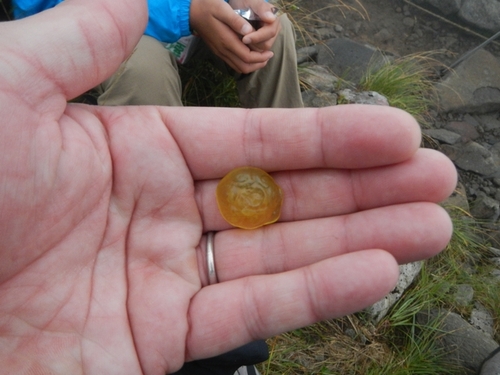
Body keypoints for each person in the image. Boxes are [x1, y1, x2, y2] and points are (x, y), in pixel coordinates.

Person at [0, 0, 457, 374]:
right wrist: (185, 13)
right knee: (143, 67)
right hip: (118, 35)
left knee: (276, 30)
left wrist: (245, 8)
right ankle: (162, 212)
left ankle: (293, 176)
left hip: (191, 26)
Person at [12, 0, 303, 109]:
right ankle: (162, 201)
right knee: (143, 70)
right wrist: (185, 12)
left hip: (196, 17)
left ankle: (294, 160)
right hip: (99, 27)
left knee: (271, 26)